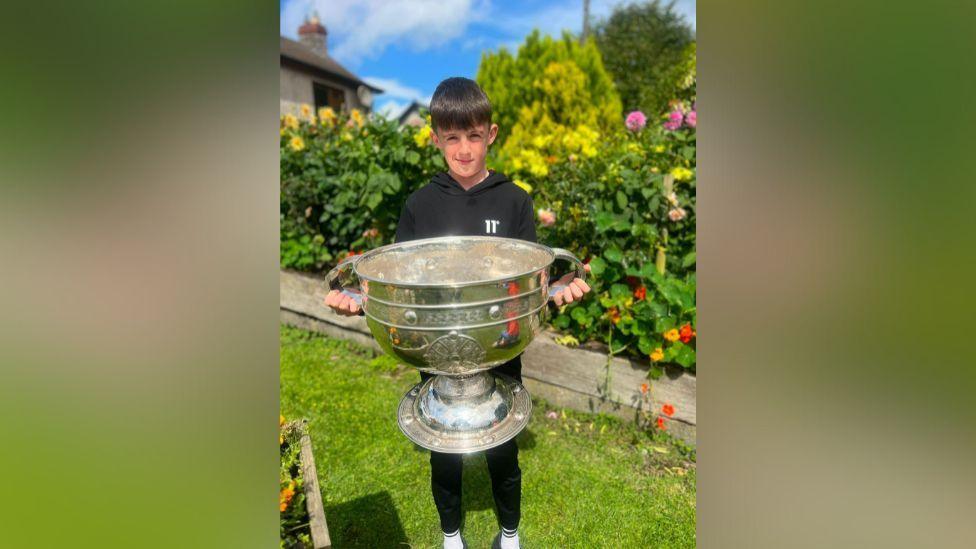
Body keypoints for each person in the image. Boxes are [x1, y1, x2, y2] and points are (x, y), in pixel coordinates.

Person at [324, 77, 591, 549]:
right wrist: (363, 303)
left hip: (500, 348)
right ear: (435, 139)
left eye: (473, 136)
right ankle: (452, 537)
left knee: (503, 451)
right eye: (452, 137)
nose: (463, 149)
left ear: (491, 134)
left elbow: (529, 281)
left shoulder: (514, 200)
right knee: (441, 453)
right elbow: (402, 284)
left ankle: (509, 535)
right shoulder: (420, 205)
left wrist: (557, 290)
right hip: (435, 353)